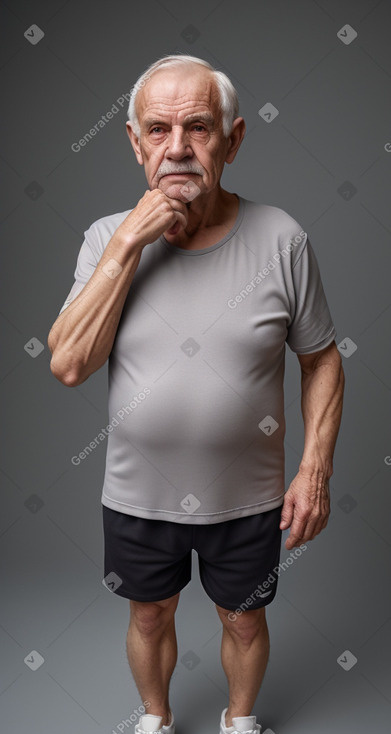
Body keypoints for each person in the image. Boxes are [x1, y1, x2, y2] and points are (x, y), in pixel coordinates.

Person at [48, 54, 345, 734]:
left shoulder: (282, 239)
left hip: (247, 496)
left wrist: (314, 468)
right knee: (148, 613)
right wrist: (129, 242)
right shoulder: (104, 239)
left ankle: (240, 721)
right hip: (136, 494)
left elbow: (322, 358)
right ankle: (154, 717)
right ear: (133, 142)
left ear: (232, 140)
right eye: (156, 129)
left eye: (198, 129)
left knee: (242, 620)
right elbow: (69, 363)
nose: (176, 147)